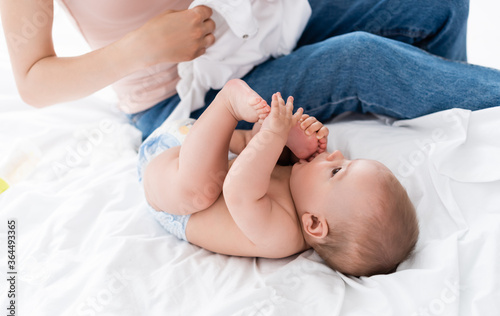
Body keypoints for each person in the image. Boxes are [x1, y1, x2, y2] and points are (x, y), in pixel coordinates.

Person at [3, 0, 499, 141]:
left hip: (266, 28)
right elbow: (34, 83)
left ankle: (448, 128)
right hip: (185, 102)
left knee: (439, 5)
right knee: (359, 60)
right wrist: (142, 47)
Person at [138, 79, 419, 277]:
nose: (336, 154)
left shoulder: (281, 236)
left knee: (197, 193)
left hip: (167, 181)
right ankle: (255, 134)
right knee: (259, 153)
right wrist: (287, 143)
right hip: (198, 147)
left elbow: (237, 188)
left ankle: (227, 103)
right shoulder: (304, 194)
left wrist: (273, 136)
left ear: (314, 223)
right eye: (344, 159)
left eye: (337, 170)